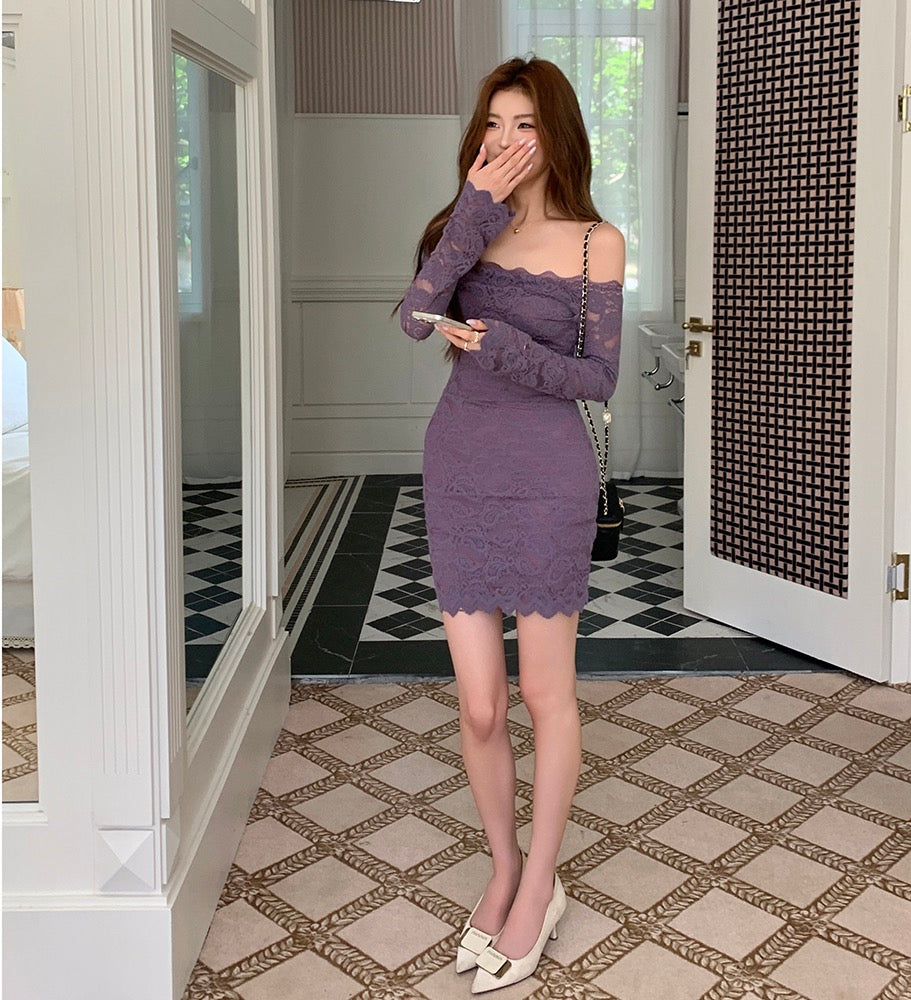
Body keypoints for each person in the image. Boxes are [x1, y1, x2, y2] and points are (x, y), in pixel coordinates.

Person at [397, 56, 625, 993]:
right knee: (481, 705)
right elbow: (414, 319)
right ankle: (502, 866)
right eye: (494, 122)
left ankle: (539, 884)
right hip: (459, 467)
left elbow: (597, 380)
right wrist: (472, 214)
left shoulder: (596, 243)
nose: (505, 140)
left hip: (548, 477)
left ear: (556, 133)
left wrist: (511, 350)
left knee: (542, 695)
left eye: (525, 123)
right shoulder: (461, 226)